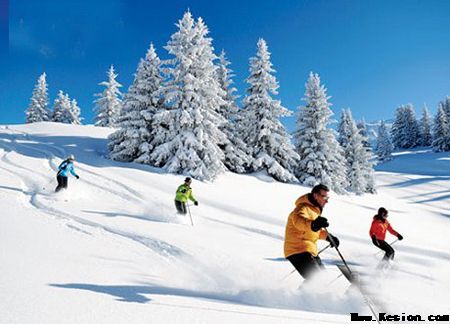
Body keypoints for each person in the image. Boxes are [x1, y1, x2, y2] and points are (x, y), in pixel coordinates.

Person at [284, 184, 340, 280]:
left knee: (323, 279)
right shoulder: (302, 208)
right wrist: (314, 224)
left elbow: (315, 231)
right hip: (298, 250)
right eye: (324, 197)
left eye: (328, 197)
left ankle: (300, 295)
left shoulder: (314, 211)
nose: (326, 201)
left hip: (309, 251)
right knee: (318, 280)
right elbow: (299, 221)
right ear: (315, 195)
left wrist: (329, 237)